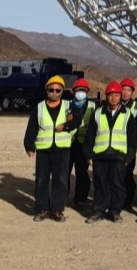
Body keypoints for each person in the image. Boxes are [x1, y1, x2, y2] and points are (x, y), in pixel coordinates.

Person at [23, 75, 80, 222]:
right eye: (51, 90)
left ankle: (57, 210)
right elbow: (32, 127)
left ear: (62, 91)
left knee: (60, 180)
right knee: (41, 180)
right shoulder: (40, 107)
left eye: (58, 90)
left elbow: (77, 121)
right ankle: (42, 209)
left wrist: (65, 126)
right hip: (44, 149)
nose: (54, 93)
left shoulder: (69, 106)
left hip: (62, 150)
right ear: (47, 90)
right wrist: (29, 146)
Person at [84, 82, 136, 223]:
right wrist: (88, 155)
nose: (113, 98)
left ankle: (115, 211)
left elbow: (132, 138)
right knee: (100, 183)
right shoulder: (98, 113)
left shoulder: (127, 115)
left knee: (117, 185)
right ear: (107, 96)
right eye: (111, 95)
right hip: (100, 155)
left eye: (116, 95)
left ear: (120, 97)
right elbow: (90, 136)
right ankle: (98, 210)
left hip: (119, 156)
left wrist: (129, 156)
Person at [67, 78, 96, 213]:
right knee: (64, 173)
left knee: (82, 174)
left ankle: (80, 200)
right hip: (67, 144)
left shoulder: (93, 106)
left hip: (84, 144)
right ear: (73, 92)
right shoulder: (66, 105)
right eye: (78, 90)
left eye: (83, 91)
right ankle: (62, 197)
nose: (81, 93)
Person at [120, 77, 137, 208]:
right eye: (124, 89)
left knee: (127, 173)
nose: (126, 92)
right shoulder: (113, 104)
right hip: (116, 144)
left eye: (129, 90)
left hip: (130, 145)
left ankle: (128, 199)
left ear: (132, 92)